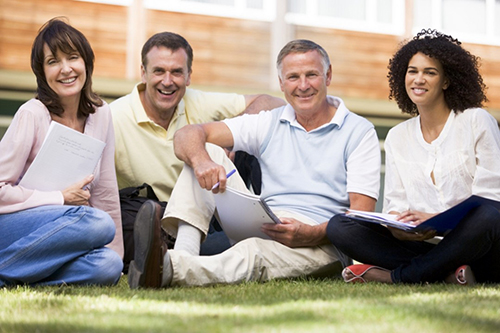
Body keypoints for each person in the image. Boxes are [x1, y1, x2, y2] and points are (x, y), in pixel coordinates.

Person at [127, 39, 381, 289]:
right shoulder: (269, 122)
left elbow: (360, 218)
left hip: (322, 243)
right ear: (281, 82)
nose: (303, 86)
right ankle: (182, 251)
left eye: (311, 75)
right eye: (293, 77)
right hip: (268, 223)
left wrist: (311, 233)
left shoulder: (359, 131)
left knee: (253, 252)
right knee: (207, 151)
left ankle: (168, 267)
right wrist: (203, 162)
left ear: (328, 76)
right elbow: (187, 134)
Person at [327, 29, 500, 285]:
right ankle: (448, 274)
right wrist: (399, 228)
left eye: (430, 72)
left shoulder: (476, 121)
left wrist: (436, 221)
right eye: (412, 71)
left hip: (482, 246)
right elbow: (395, 205)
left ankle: (401, 277)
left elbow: (492, 198)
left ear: (446, 80)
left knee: (489, 215)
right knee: (341, 226)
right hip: (426, 248)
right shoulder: (398, 137)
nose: (419, 79)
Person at [110, 32, 285, 267]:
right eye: (159, 71)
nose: (167, 81)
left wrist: (230, 136)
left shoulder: (197, 101)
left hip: (213, 207)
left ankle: (272, 221)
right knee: (137, 217)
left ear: (189, 76)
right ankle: (250, 244)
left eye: (177, 72)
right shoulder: (114, 117)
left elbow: (272, 103)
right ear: (143, 73)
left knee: (257, 137)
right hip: (161, 217)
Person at [0, 18, 123, 287]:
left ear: (86, 63)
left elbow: (105, 191)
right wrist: (60, 198)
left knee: (108, 265)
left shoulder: (102, 114)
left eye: (72, 57)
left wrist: (116, 251)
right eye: (53, 61)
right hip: (13, 229)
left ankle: (13, 276)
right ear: (42, 72)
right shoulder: (32, 114)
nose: (65, 69)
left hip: (61, 234)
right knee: (98, 223)